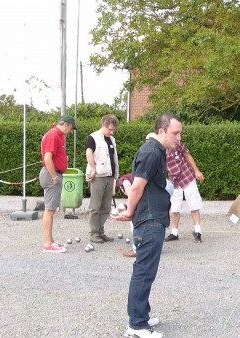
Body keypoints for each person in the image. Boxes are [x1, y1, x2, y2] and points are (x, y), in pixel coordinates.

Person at [113, 114, 182, 338]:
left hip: (154, 218)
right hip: (149, 220)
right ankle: (137, 324)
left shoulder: (156, 151)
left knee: (147, 271)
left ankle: (142, 314)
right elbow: (136, 187)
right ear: (161, 131)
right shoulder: (151, 152)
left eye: (180, 133)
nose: (178, 138)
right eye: (175, 133)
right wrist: (130, 212)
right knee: (143, 272)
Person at [39, 115, 76, 253]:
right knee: (49, 210)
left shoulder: (58, 135)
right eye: (71, 128)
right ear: (65, 124)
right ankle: (48, 244)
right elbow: (47, 158)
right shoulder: (53, 135)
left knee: (51, 209)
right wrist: (54, 176)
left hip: (54, 173)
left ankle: (51, 241)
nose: (71, 131)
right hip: (51, 175)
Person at [85, 114, 119, 243]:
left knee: (105, 207)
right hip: (98, 177)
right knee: (95, 206)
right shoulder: (93, 137)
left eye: (113, 130)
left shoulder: (112, 139)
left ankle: (101, 231)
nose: (111, 132)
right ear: (103, 125)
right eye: (110, 129)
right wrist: (93, 169)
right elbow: (89, 153)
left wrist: (116, 174)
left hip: (110, 176)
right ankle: (94, 233)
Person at [164, 138, 205, 243]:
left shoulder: (176, 143)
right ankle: (174, 233)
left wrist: (196, 171)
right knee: (175, 206)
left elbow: (187, 155)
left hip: (187, 176)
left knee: (194, 204)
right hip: (174, 179)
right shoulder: (159, 150)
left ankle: (198, 231)